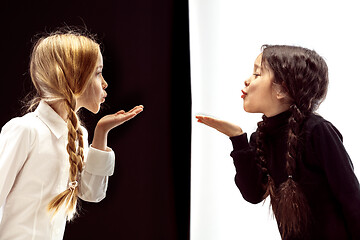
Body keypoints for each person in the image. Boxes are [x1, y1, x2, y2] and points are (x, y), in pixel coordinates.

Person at [196, 45, 360, 239]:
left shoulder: (317, 130)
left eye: (257, 74)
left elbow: (351, 200)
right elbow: (253, 194)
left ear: (282, 89)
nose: (247, 80)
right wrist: (237, 138)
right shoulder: (261, 137)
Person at [0, 28, 143, 239]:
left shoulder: (79, 136)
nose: (105, 83)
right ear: (75, 77)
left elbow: (92, 193)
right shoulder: (26, 130)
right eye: (98, 72)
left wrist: (101, 132)